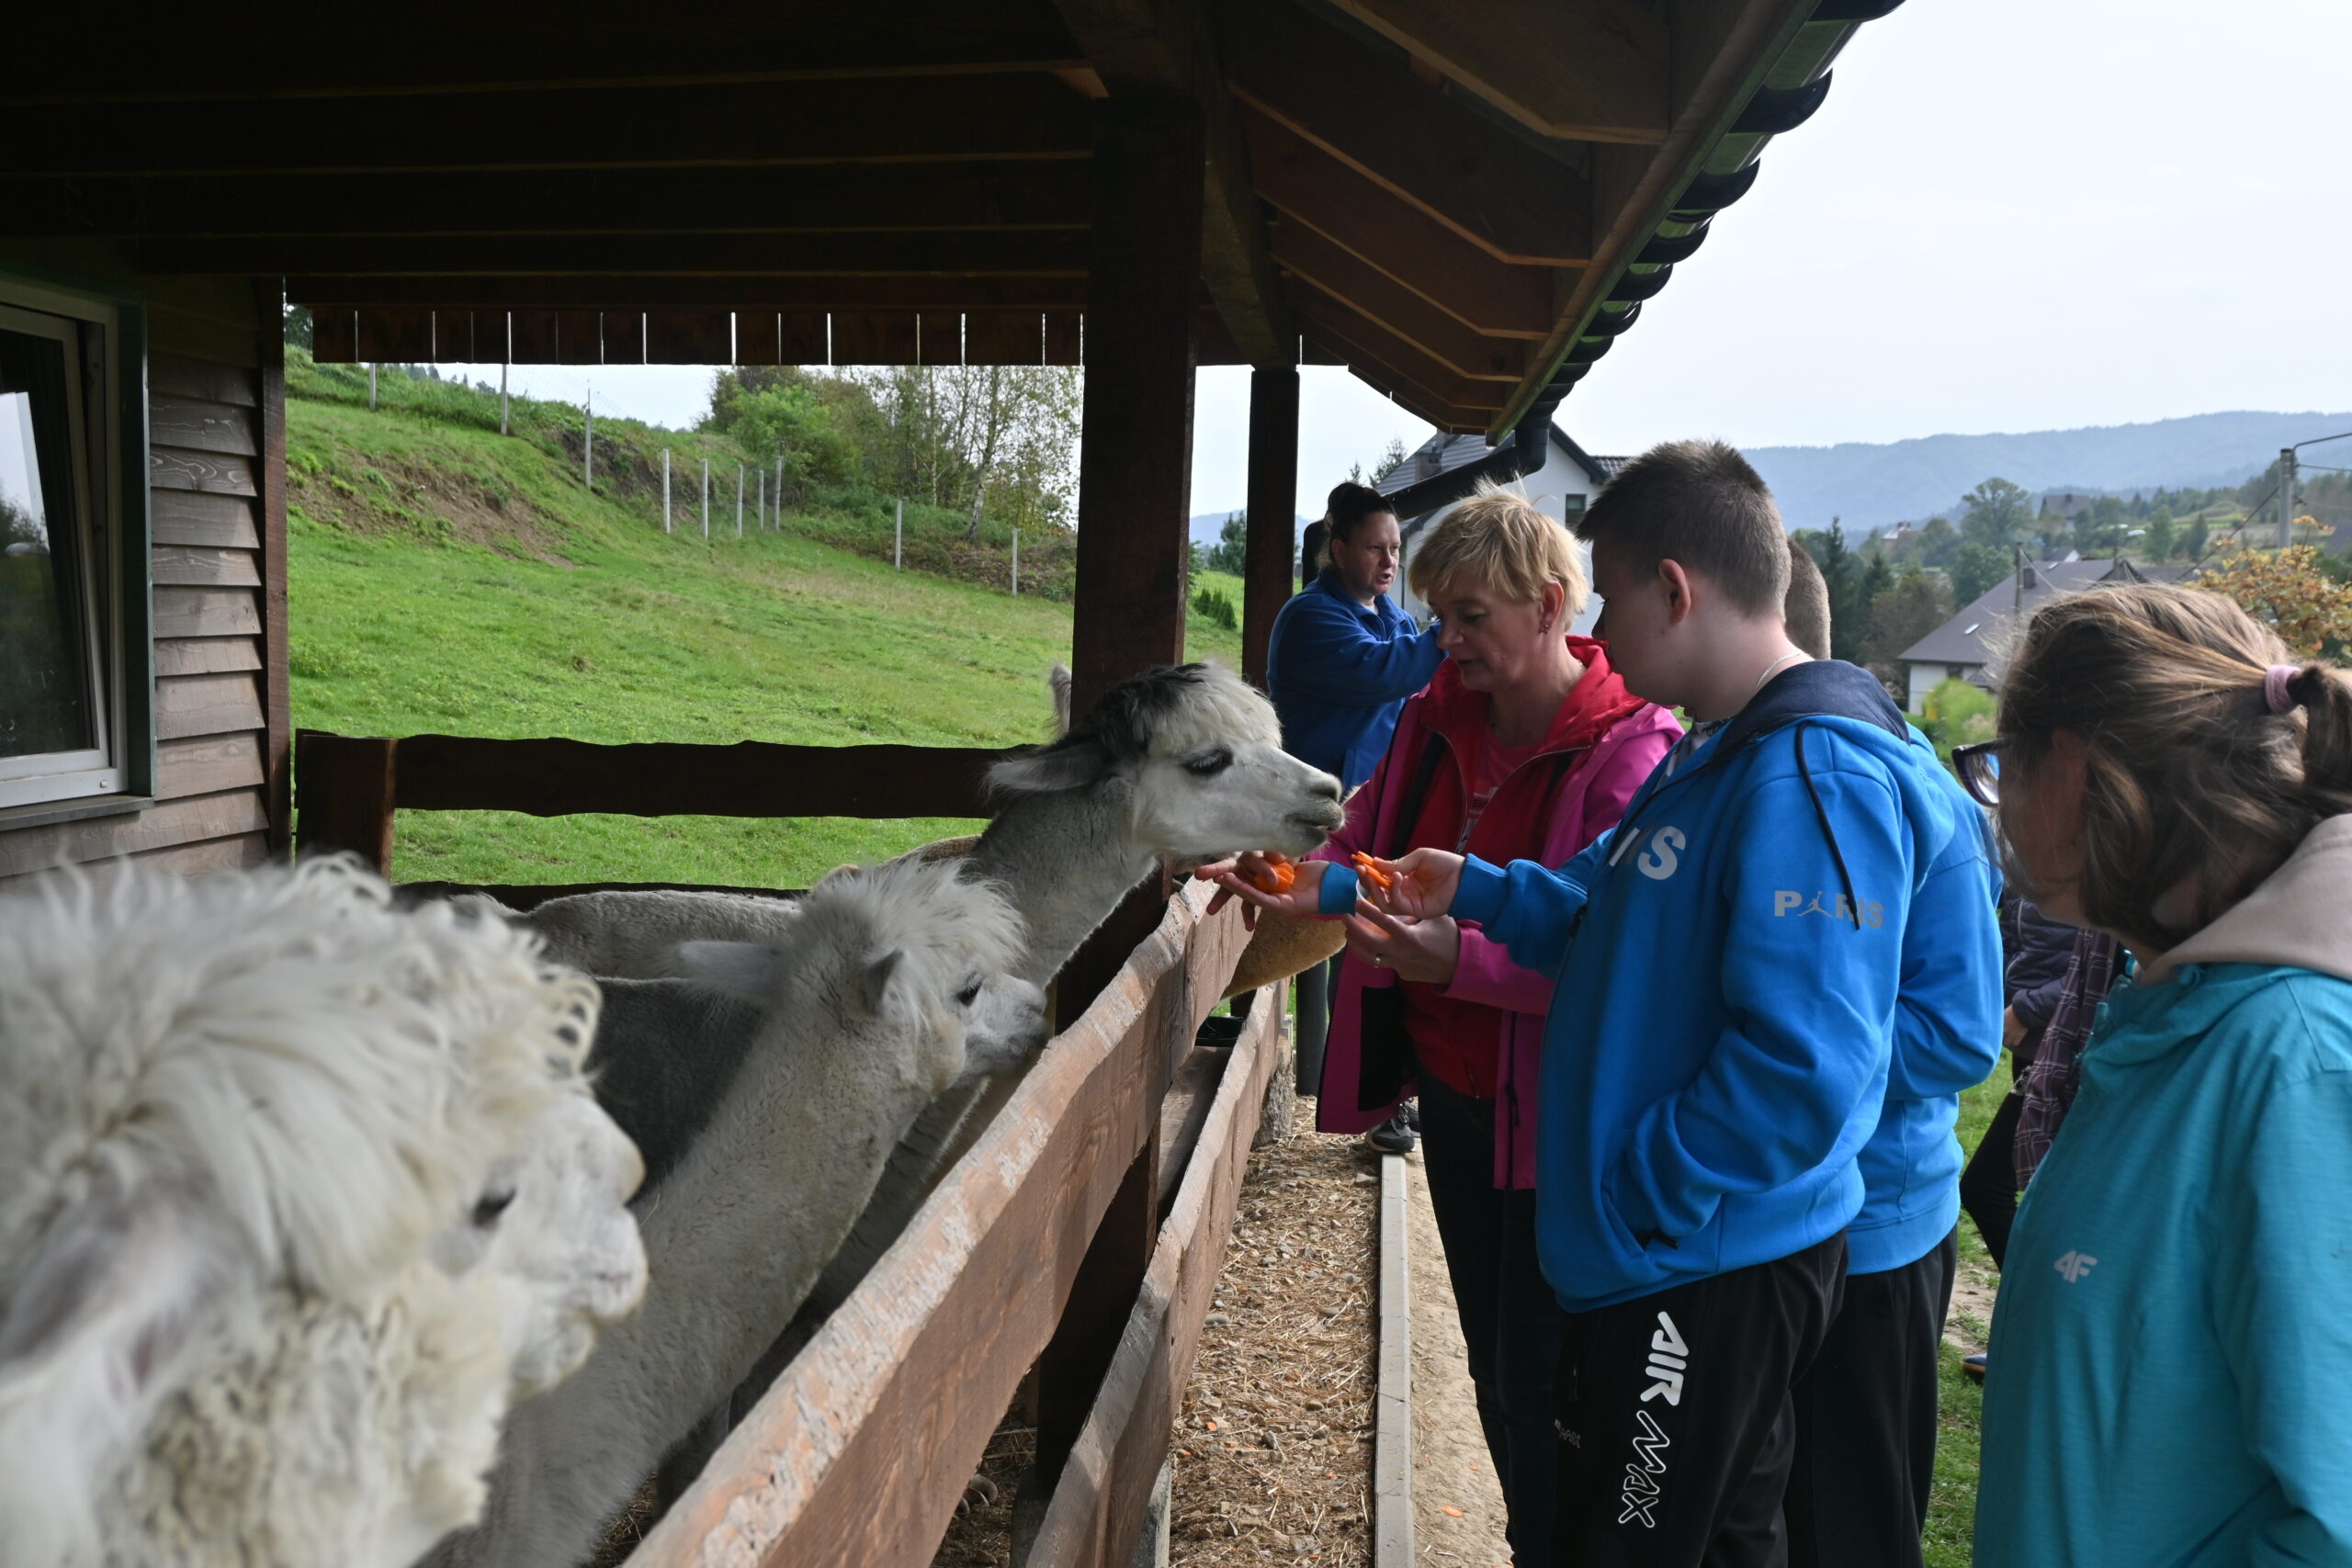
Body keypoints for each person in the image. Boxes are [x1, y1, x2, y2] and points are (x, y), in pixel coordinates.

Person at [1348, 441, 1981, 1566]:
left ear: (1676, 591)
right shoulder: (1717, 751)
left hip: (1698, 1258)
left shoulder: (1808, 777)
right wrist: (1482, 887)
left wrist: (1645, 1188)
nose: (1600, 624)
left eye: (1610, 596)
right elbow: (1607, 902)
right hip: (1672, 1252)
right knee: (1719, 1539)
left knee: (1637, 1543)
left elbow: (1802, 1068)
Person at [1204, 485, 1679, 1562]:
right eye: (1438, 616)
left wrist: (1458, 960)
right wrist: (1306, 884)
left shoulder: (1632, 753)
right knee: (1495, 1374)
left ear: (1549, 605)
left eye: (1470, 616)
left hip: (1560, 1130)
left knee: (1555, 1386)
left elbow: (1615, 960)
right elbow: (1368, 846)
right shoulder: (1436, 716)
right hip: (1463, 1106)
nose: (1446, 640)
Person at [1968, 585, 2352, 1566]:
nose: (1995, 797)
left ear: (2074, 773)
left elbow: (2334, 1519)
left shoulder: (2291, 1062)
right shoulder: (2169, 1012)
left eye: (2002, 762)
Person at [1267, 480, 1444, 1141]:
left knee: (1375, 953)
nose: (1389, 560)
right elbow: (1390, 672)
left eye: (1395, 548)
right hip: (1313, 817)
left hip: (1374, 811)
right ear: (1338, 549)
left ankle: (1381, 1100)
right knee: (1341, 950)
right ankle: (1342, 1092)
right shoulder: (1311, 618)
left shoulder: (1390, 618)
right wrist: (1452, 625)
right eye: (1375, 548)